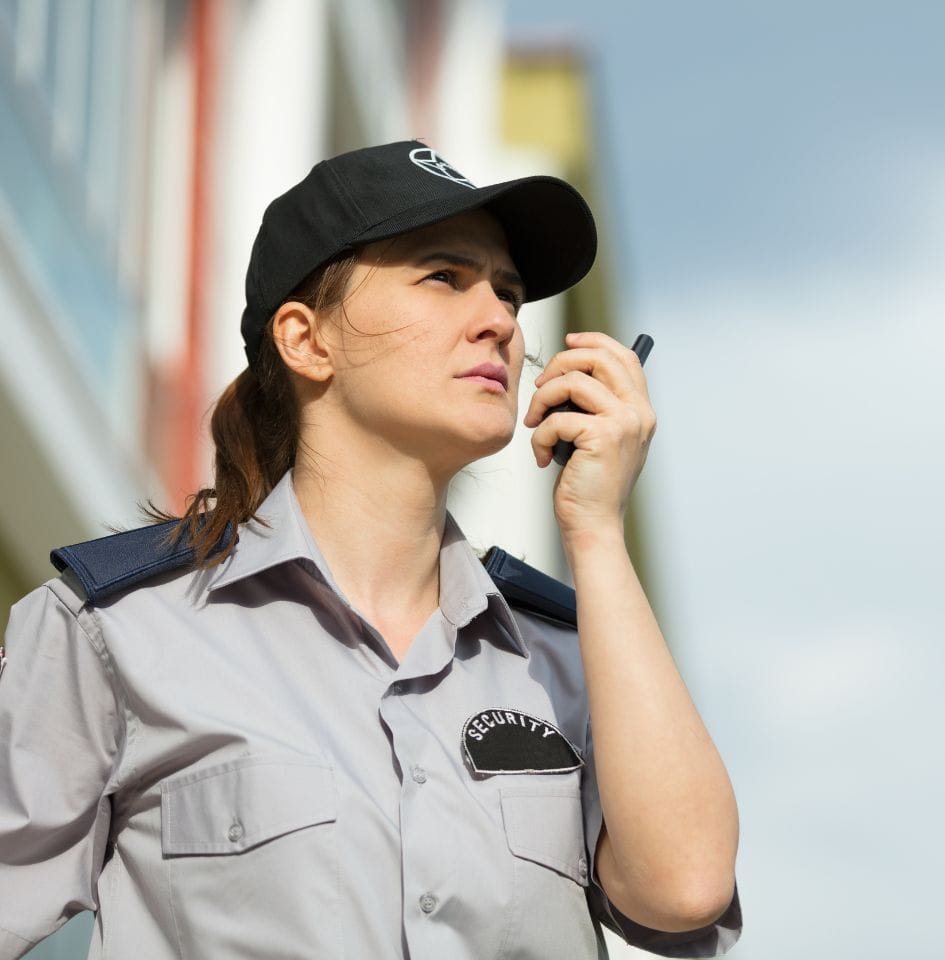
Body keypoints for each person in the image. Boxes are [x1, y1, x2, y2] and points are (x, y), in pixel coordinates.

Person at [0, 140, 741, 959]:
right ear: (306, 339)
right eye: (443, 277)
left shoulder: (567, 652)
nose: (499, 320)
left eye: (508, 292)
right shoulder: (114, 630)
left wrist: (596, 533)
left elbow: (685, 891)